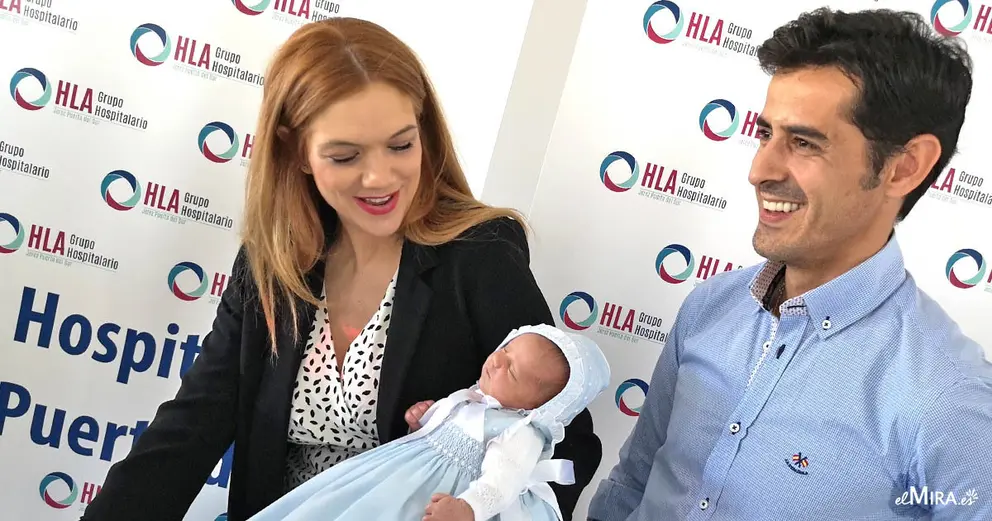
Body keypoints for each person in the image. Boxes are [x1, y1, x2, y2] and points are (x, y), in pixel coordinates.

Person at [79, 17, 602, 521]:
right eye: (346, 156)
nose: (381, 177)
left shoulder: (481, 254)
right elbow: (191, 427)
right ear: (297, 151)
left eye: (401, 145)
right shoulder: (273, 260)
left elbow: (567, 439)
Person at [588, 8, 992, 521]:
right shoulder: (710, 307)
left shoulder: (947, 399)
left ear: (903, 167)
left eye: (804, 143)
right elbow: (634, 482)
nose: (760, 170)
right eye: (765, 133)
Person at [246, 324, 611, 521]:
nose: (498, 361)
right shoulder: (471, 399)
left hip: (447, 499)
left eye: (512, 371)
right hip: (401, 477)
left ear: (540, 406)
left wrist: (469, 509)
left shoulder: (520, 432)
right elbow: (435, 439)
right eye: (506, 350)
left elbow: (503, 484)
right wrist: (422, 423)